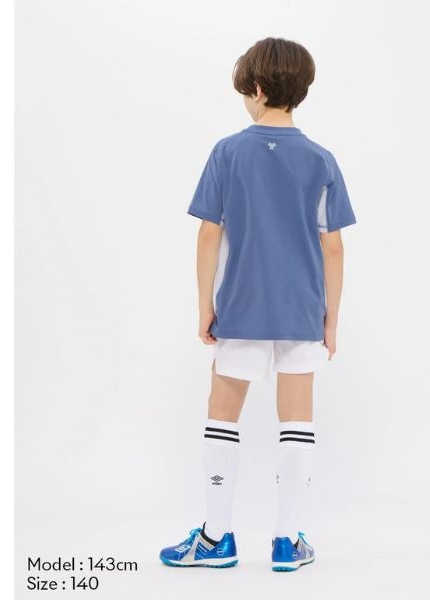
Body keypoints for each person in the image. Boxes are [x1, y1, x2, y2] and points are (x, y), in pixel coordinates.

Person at [159, 37, 356, 572]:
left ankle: (216, 538)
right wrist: (331, 320)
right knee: (298, 422)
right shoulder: (322, 160)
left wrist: (205, 305)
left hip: (241, 308)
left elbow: (208, 234)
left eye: (246, 90)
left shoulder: (227, 153)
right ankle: (287, 541)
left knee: (222, 415)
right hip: (301, 312)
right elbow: (333, 246)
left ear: (259, 89)